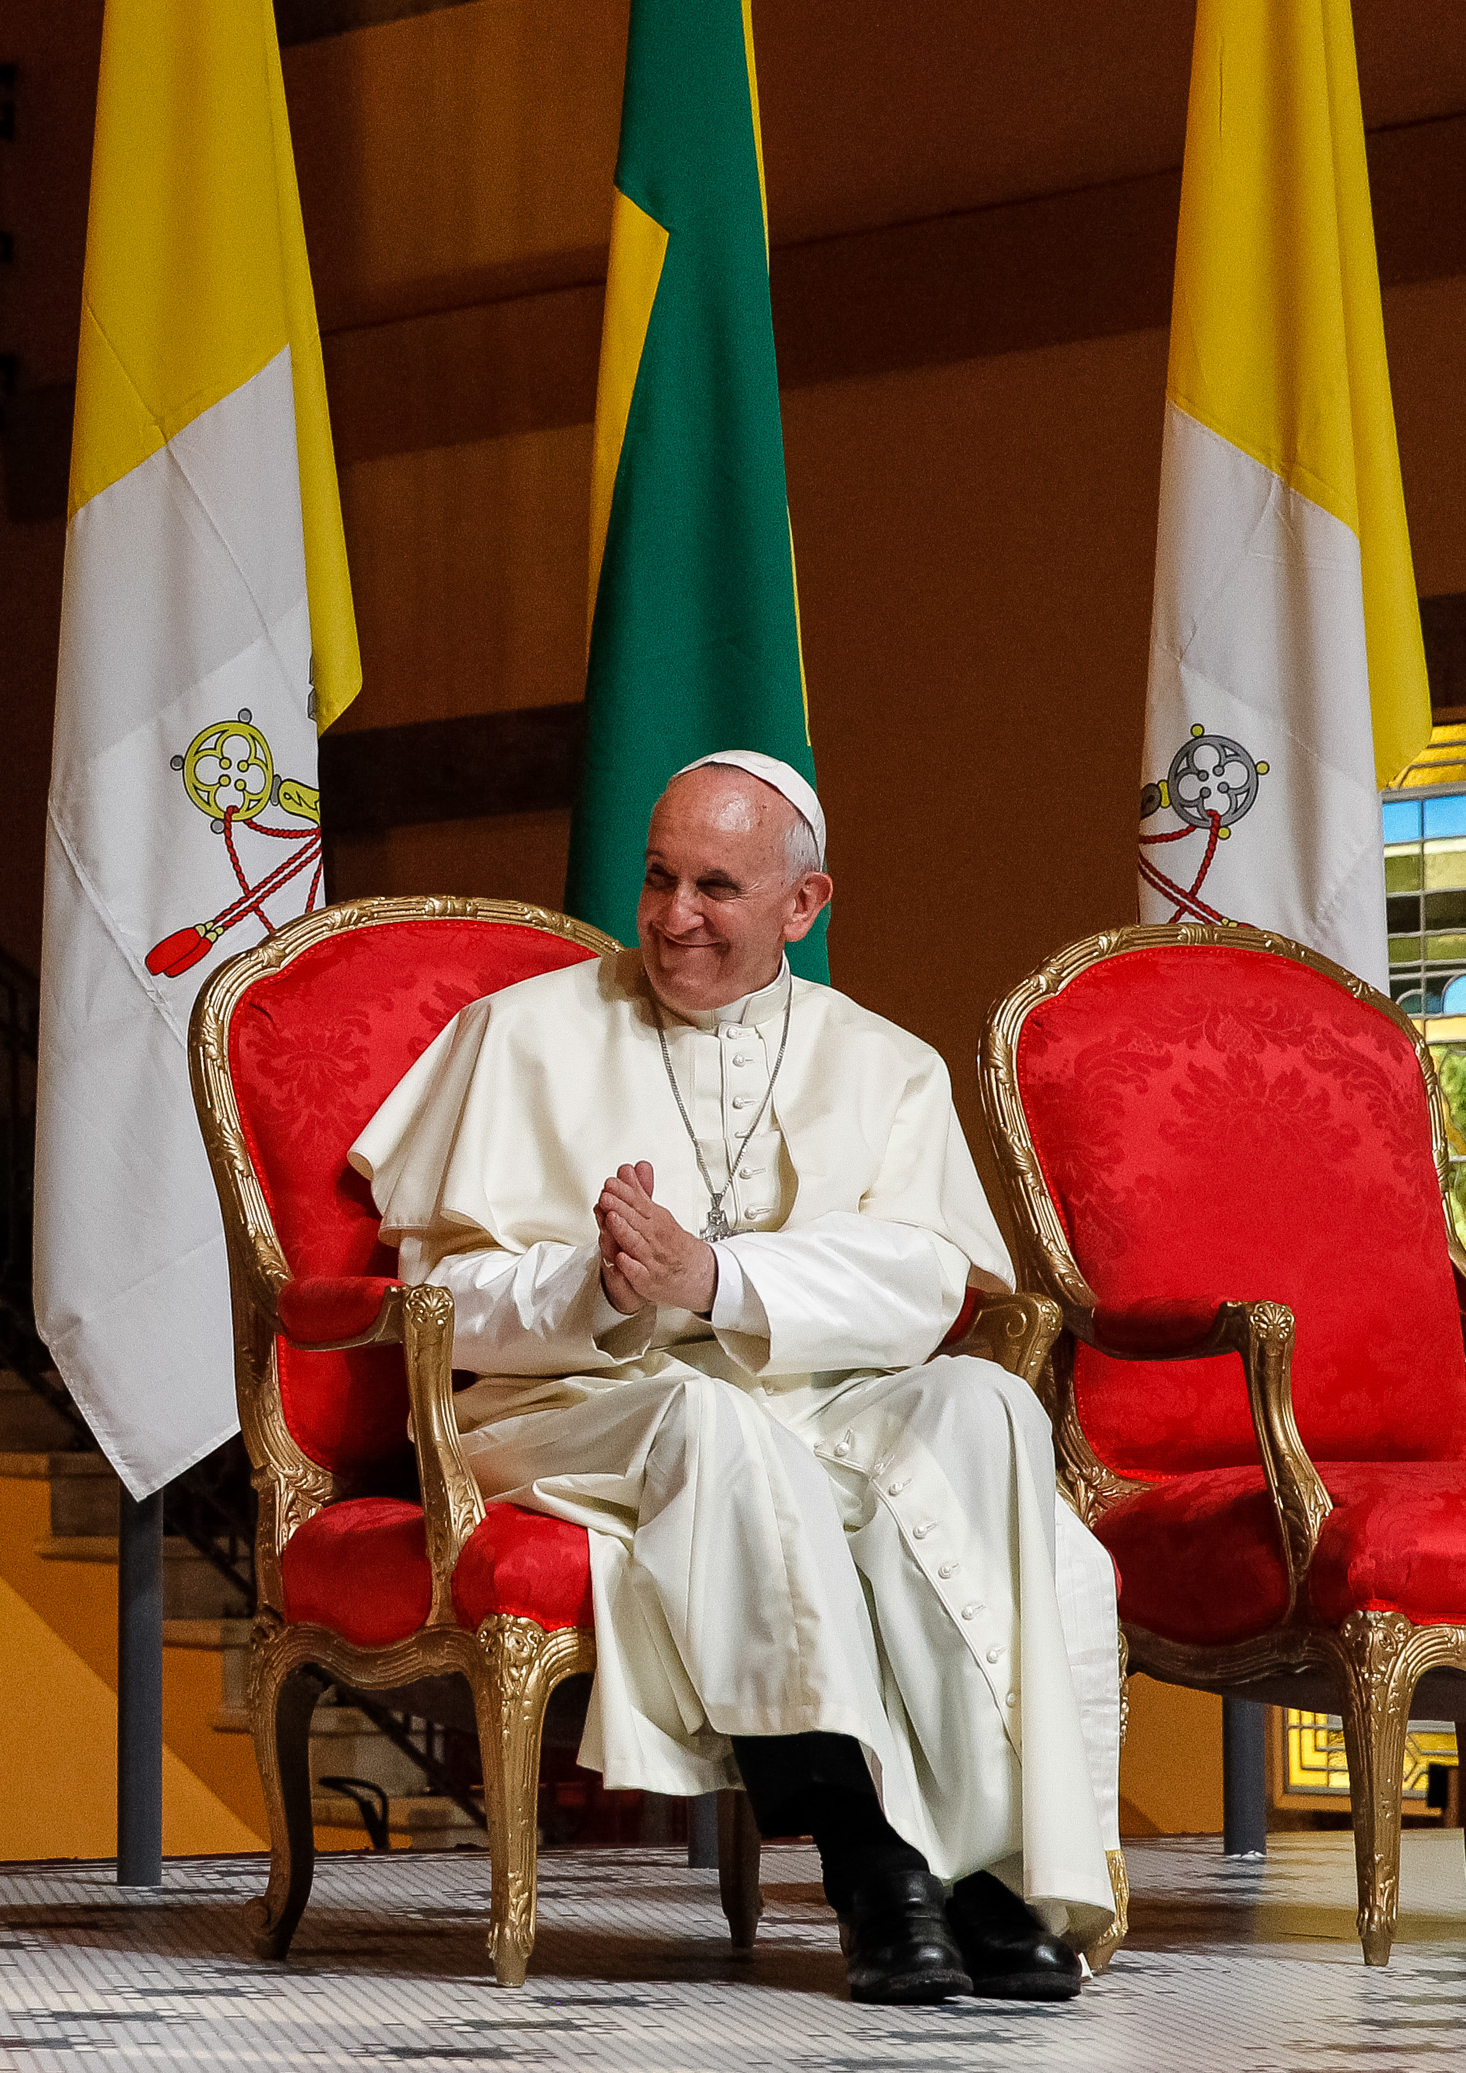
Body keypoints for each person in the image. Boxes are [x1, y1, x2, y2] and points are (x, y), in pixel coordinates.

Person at [346, 752, 1119, 2005]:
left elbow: (928, 1283)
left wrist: (715, 1280)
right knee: (713, 1424)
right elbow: (442, 1305)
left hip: (809, 1393)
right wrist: (603, 1287)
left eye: (714, 886)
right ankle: (871, 1865)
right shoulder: (520, 1035)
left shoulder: (884, 1063)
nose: (671, 917)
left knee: (982, 1404)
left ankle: (986, 1864)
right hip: (571, 1408)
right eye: (657, 878)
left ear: (800, 905)